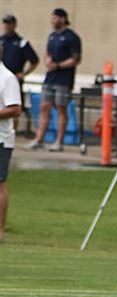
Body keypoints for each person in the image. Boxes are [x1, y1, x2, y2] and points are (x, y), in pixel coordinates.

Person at [27, 8, 80, 152]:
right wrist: (48, 61)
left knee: (61, 107)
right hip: (50, 77)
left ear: (62, 19)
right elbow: (47, 53)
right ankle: (39, 139)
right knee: (44, 106)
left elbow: (75, 59)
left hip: (63, 79)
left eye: (55, 18)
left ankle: (59, 141)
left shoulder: (71, 37)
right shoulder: (52, 36)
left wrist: (58, 65)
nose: (52, 21)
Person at [0, 64, 20, 242]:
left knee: (0, 184)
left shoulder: (7, 78)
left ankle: (0, 230)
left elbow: (15, 108)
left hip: (1, 139)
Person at [1, 14, 39, 90]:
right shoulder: (1, 41)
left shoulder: (22, 42)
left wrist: (24, 74)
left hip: (14, 80)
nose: (7, 26)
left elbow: (34, 61)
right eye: (5, 23)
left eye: (9, 23)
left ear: (14, 25)